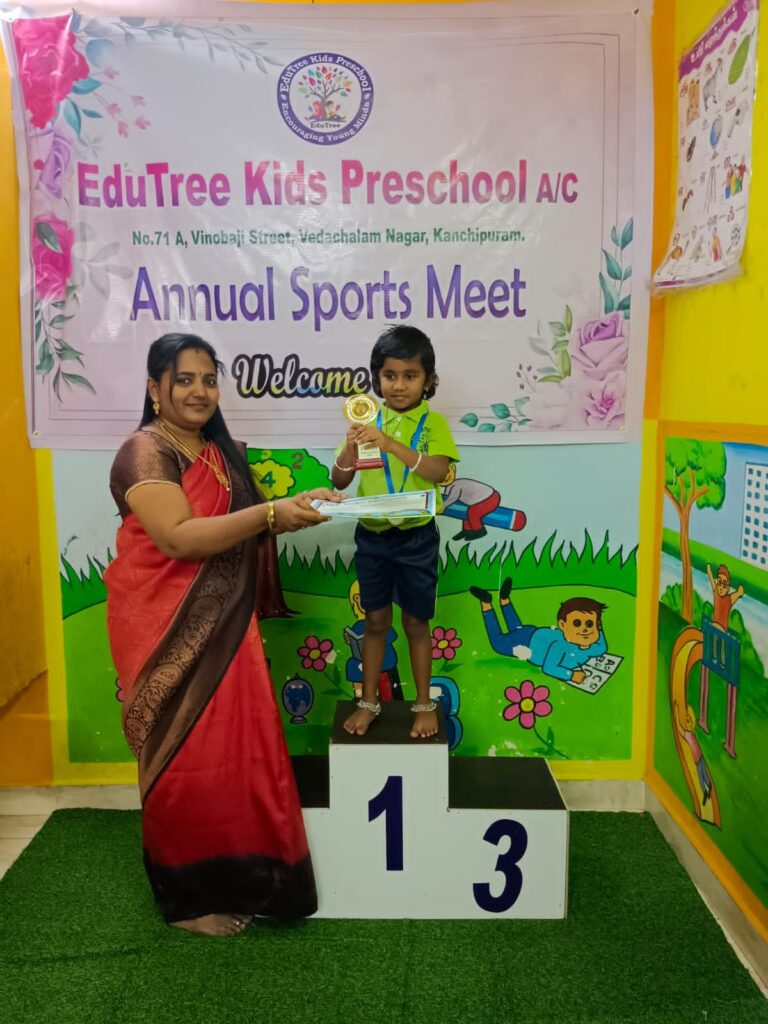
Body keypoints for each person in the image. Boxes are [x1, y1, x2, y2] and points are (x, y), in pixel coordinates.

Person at [104, 332, 342, 937]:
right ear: (154, 388)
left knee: (231, 757)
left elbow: (240, 529)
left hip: (227, 626)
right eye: (184, 379)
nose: (199, 391)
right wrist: (271, 513)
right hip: (162, 627)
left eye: (209, 379)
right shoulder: (144, 451)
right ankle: (186, 901)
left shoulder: (220, 451)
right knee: (183, 761)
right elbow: (177, 538)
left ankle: (246, 880)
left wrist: (295, 509)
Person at [331, 325, 459, 738]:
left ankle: (423, 704)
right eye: (390, 375)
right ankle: (368, 702)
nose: (399, 385)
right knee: (375, 621)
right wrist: (351, 448)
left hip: (417, 537)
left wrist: (389, 444)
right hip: (372, 536)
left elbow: (438, 471)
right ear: (377, 377)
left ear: (428, 379)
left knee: (417, 623)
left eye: (410, 375)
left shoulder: (433, 423)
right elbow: (338, 480)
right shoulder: (365, 420)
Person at [469, 578, 607, 685]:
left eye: (590, 624)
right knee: (498, 643)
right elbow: (549, 667)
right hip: (526, 643)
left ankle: (505, 599)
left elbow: (602, 647)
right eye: (577, 623)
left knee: (516, 629)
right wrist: (571, 675)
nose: (584, 629)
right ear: (562, 625)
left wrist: (598, 630)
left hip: (534, 633)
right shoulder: (559, 646)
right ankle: (486, 603)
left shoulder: (591, 648)